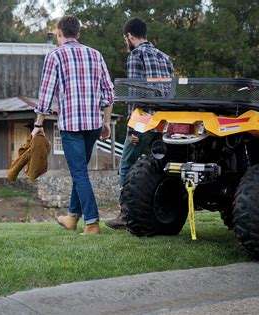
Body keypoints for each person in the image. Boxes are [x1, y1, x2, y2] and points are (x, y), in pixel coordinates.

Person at [32, 15, 114, 235]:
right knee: (81, 171)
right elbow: (109, 92)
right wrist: (106, 121)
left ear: (60, 34)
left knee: (79, 173)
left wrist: (38, 125)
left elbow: (46, 94)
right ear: (78, 34)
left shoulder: (55, 56)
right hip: (93, 124)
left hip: (71, 125)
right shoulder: (95, 55)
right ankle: (71, 217)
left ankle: (92, 223)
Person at [105, 17, 174, 229]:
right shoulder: (165, 57)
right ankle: (160, 210)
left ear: (129, 36)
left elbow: (134, 90)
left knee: (126, 165)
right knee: (158, 165)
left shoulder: (137, 54)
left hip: (143, 119)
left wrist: (131, 124)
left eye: (125, 38)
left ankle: (125, 214)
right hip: (165, 121)